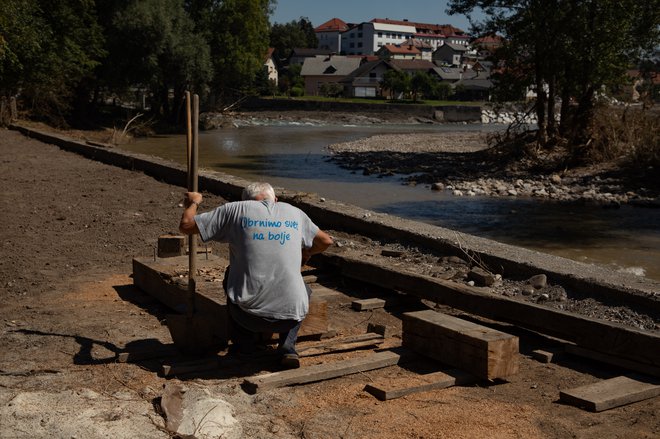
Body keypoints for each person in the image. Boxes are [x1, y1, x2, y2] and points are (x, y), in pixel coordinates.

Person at [179, 182, 333, 368]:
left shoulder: (236, 210)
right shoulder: (294, 212)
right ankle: (287, 347)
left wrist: (193, 203)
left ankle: (244, 347)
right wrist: (307, 252)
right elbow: (326, 241)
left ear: (246, 200)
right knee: (303, 289)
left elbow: (186, 226)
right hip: (290, 317)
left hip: (248, 317)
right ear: (274, 200)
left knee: (230, 275)